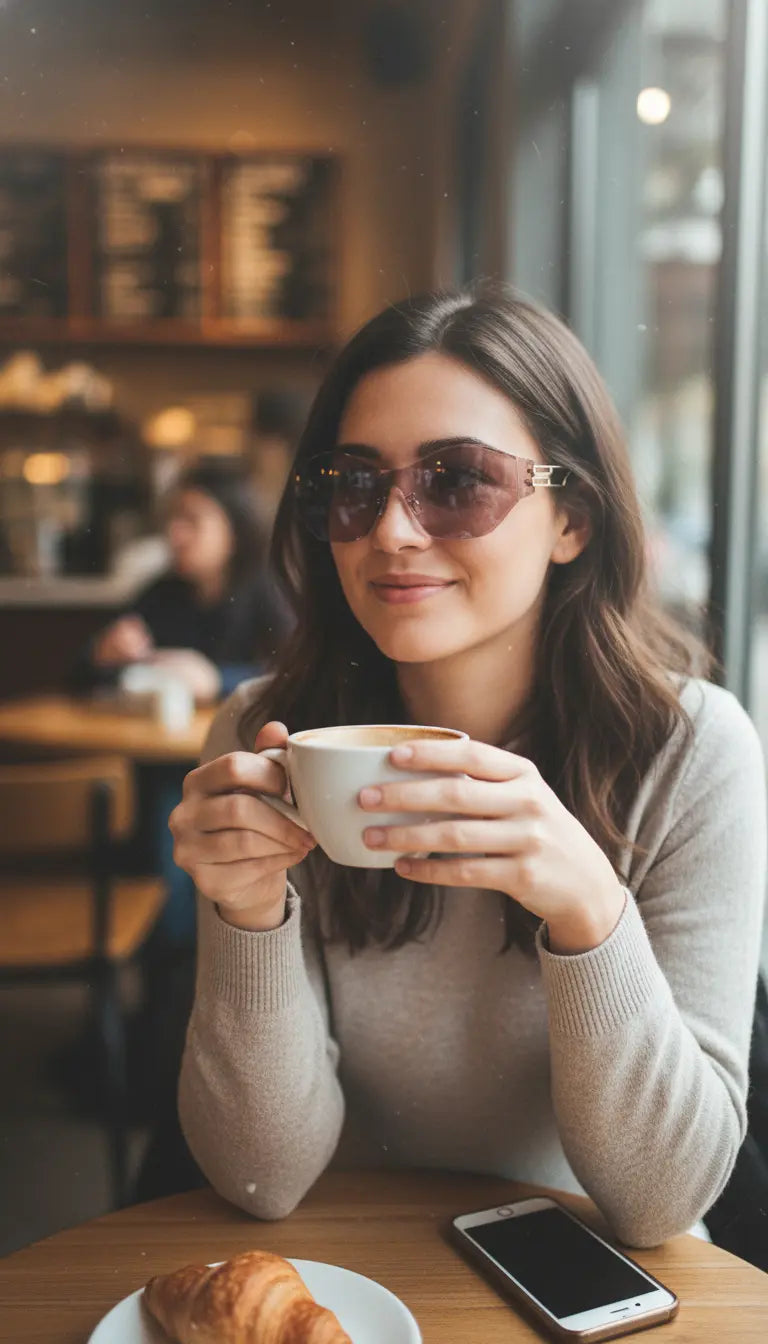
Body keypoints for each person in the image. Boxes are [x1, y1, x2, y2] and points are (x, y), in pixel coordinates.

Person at [169, 286, 766, 1249]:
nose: (393, 532)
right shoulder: (263, 734)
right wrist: (248, 909)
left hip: (593, 1287)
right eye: (354, 485)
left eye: (456, 481)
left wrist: (587, 910)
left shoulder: (691, 751)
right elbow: (261, 1176)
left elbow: (665, 1202)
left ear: (571, 519)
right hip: (349, 1275)